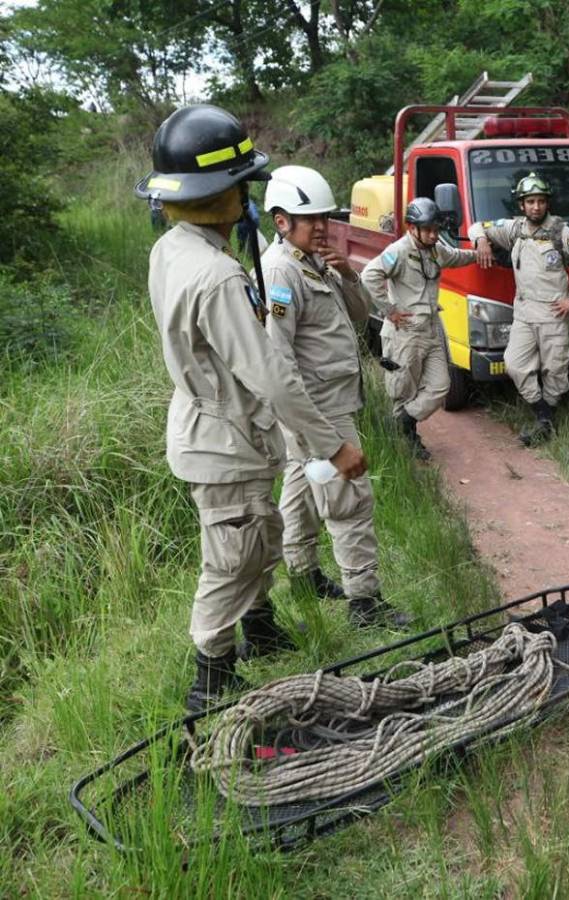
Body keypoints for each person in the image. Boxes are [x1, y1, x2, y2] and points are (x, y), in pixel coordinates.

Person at [135, 105, 366, 711]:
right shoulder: (216, 276)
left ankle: (259, 632)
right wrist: (333, 445)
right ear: (222, 193)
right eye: (241, 185)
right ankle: (208, 679)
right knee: (231, 558)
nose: (247, 197)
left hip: (215, 432)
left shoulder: (172, 249)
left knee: (257, 537)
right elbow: (274, 377)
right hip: (223, 438)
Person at [262, 165, 411, 630]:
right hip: (318, 411)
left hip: (325, 404)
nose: (323, 227)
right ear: (282, 220)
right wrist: (325, 438)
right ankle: (364, 603)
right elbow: (278, 359)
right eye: (312, 220)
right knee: (348, 497)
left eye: (326, 218)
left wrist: (347, 274)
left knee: (301, 486)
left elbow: (360, 313)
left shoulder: (311, 261)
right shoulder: (281, 271)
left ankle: (304, 576)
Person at [469, 172, 569, 445]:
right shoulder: (514, 229)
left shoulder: (560, 231)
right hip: (525, 314)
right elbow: (476, 226)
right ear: (521, 205)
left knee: (555, 370)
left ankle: (544, 421)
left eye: (540, 201)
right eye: (530, 202)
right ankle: (543, 414)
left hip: (554, 314)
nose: (536, 207)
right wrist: (482, 241)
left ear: (547, 203)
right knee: (515, 364)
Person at [361, 198, 475, 460]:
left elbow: (456, 257)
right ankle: (404, 443)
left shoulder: (435, 250)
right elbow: (369, 276)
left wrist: (478, 254)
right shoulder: (398, 251)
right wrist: (390, 311)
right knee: (402, 388)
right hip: (406, 332)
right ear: (412, 228)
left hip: (432, 329)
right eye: (428, 229)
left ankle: (403, 421)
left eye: (436, 229)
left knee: (440, 386)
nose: (434, 234)